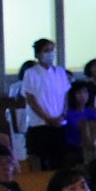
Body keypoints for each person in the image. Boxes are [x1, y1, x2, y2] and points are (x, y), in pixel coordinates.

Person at [17, 37, 73, 168]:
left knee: (59, 160)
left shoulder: (60, 71)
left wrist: (63, 115)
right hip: (39, 124)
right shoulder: (31, 73)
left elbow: (65, 95)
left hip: (59, 123)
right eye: (46, 50)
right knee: (40, 159)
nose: (50, 53)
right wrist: (47, 118)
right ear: (38, 54)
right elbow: (30, 98)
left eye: (52, 50)